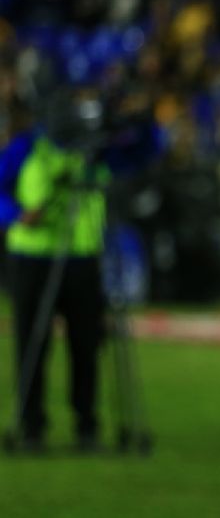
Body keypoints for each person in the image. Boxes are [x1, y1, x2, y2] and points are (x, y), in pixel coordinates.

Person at [0, 96, 108, 451]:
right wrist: (15, 213)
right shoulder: (27, 146)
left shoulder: (94, 148)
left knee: (86, 345)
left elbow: (139, 154)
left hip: (82, 257)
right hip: (32, 258)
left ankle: (86, 425)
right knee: (32, 343)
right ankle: (32, 426)